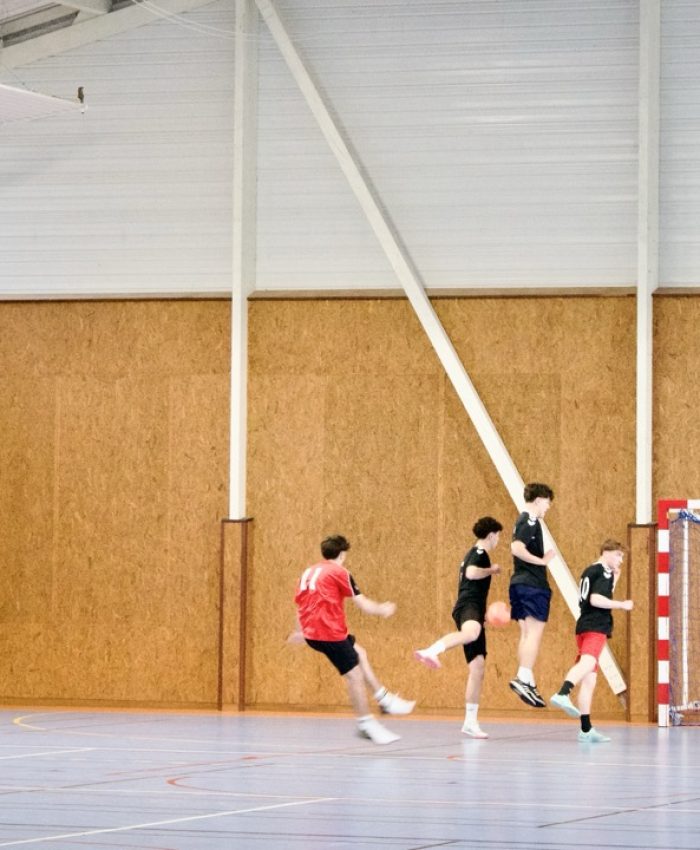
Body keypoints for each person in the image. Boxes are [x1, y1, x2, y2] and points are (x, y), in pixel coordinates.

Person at [290, 534, 415, 745]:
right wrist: (382, 609)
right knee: (354, 676)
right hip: (328, 633)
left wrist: (300, 631)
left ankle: (384, 700)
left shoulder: (308, 572)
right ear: (342, 554)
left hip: (314, 631)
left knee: (360, 653)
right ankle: (366, 724)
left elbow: (300, 604)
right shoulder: (340, 572)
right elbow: (363, 604)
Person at [413, 516, 503, 738]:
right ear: (491, 535)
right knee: (471, 633)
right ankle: (432, 650)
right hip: (468, 605)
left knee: (478, 667)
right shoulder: (480, 554)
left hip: (476, 610)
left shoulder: (475, 554)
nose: (498, 540)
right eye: (498, 536)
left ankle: (470, 722)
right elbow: (472, 573)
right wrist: (492, 570)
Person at [550, 539, 633, 742]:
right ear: (606, 552)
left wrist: (616, 579)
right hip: (595, 625)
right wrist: (621, 605)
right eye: (618, 555)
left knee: (590, 680)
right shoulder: (601, 571)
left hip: (585, 624)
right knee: (588, 662)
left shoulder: (594, 571)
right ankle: (563, 692)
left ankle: (586, 730)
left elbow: (596, 595)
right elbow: (596, 600)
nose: (620, 560)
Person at [508, 482, 556, 708]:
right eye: (547, 503)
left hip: (519, 583)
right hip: (532, 585)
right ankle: (523, 676)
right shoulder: (529, 519)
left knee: (526, 633)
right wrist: (542, 561)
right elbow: (516, 548)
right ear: (538, 500)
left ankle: (527, 679)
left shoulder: (522, 519)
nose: (548, 507)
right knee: (534, 634)